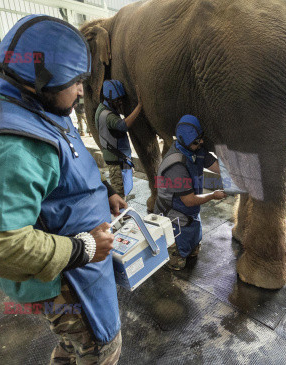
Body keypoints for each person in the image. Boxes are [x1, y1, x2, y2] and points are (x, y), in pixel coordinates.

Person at [0, 15, 129, 364]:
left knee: (71, 346)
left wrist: (103, 188)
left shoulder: (35, 104)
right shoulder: (6, 146)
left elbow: (66, 154)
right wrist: (85, 247)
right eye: (76, 81)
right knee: (101, 348)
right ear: (39, 81)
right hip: (68, 280)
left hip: (79, 265)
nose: (81, 91)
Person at [154, 115, 227, 270]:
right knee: (179, 263)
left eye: (200, 138)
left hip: (190, 211)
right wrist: (213, 195)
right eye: (196, 141)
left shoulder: (196, 150)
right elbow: (189, 200)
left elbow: (217, 167)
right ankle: (169, 250)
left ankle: (188, 244)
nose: (200, 142)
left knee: (194, 250)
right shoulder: (176, 166)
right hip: (174, 212)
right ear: (185, 141)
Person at [95, 80, 142, 198]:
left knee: (122, 189)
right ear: (109, 99)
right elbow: (123, 125)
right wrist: (139, 106)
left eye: (121, 99)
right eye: (117, 100)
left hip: (117, 158)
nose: (120, 103)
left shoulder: (102, 108)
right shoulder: (108, 115)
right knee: (119, 193)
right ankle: (121, 214)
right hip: (116, 160)